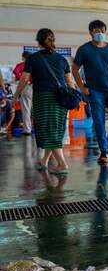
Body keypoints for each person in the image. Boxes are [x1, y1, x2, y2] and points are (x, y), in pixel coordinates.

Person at [15, 28, 77, 174]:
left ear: (38, 41)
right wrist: (73, 96)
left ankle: (62, 164)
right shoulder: (62, 59)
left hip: (43, 98)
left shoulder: (33, 58)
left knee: (46, 131)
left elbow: (24, 79)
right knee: (54, 130)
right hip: (61, 99)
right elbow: (70, 82)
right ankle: (44, 161)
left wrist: (17, 95)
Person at [72, 19, 108, 165]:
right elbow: (75, 69)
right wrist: (82, 87)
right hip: (95, 91)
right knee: (99, 121)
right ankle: (104, 151)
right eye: (97, 31)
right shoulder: (84, 49)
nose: (100, 34)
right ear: (91, 32)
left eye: (102, 31)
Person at [13, 51, 33, 135]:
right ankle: (40, 129)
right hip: (37, 88)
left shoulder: (20, 65)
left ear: (23, 57)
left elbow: (15, 71)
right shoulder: (35, 64)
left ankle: (27, 130)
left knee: (26, 109)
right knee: (38, 110)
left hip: (26, 87)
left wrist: (20, 78)